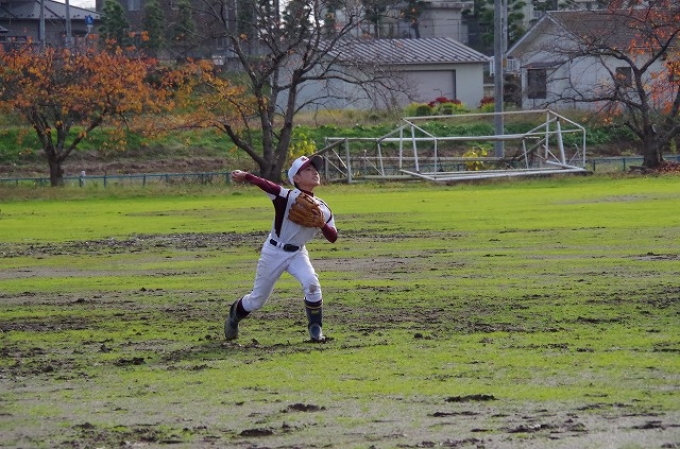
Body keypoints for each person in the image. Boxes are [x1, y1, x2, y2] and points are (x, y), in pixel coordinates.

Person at [226, 155, 338, 342]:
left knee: (312, 284)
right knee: (257, 300)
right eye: (308, 170)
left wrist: (322, 225)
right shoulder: (286, 196)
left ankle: (315, 329)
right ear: (296, 178)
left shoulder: (323, 208)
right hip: (273, 252)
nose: (314, 172)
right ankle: (234, 314)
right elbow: (267, 185)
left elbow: (333, 237)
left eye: (315, 169)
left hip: (298, 253)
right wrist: (246, 176)